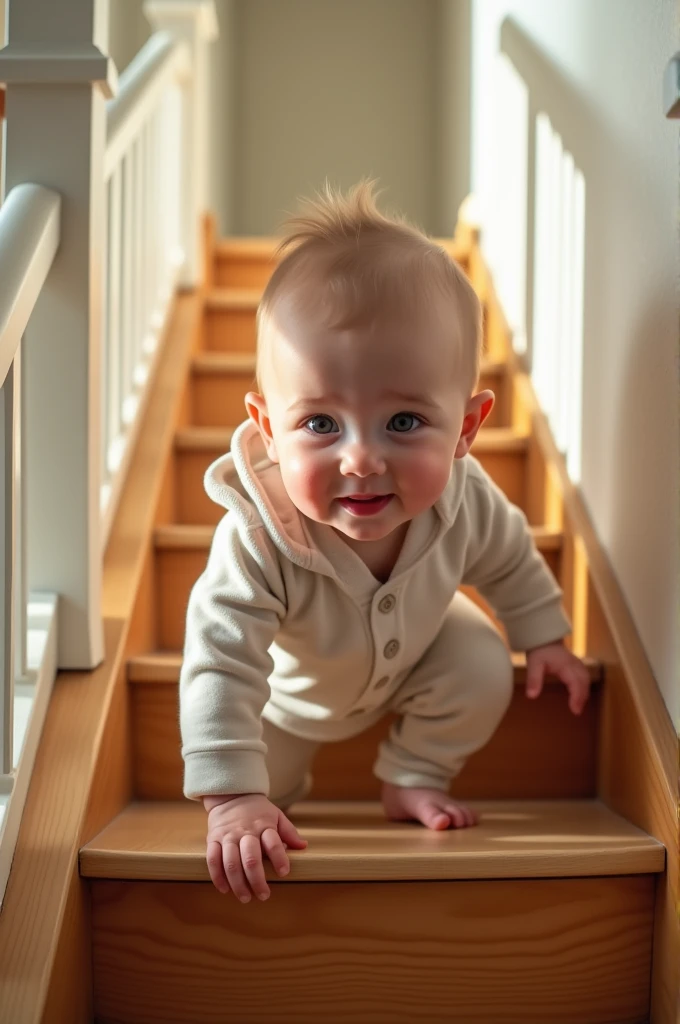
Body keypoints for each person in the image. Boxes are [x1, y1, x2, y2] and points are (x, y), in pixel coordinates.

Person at [179, 177, 592, 905]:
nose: (361, 459)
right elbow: (220, 661)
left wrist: (546, 635)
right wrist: (232, 798)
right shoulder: (256, 534)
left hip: (423, 657)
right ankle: (268, 790)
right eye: (320, 424)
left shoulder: (465, 499)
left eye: (403, 423)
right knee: (263, 797)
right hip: (287, 699)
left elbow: (509, 557)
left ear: (466, 428)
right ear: (269, 428)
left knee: (482, 660)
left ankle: (414, 774)